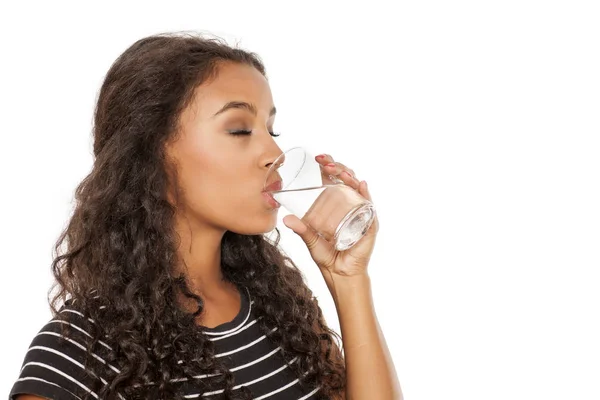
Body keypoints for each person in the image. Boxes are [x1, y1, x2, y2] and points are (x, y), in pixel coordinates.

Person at [9, 31, 402, 400]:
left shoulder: (279, 307)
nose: (274, 153)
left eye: (271, 130)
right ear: (150, 156)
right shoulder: (77, 352)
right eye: (238, 129)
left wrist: (348, 278)